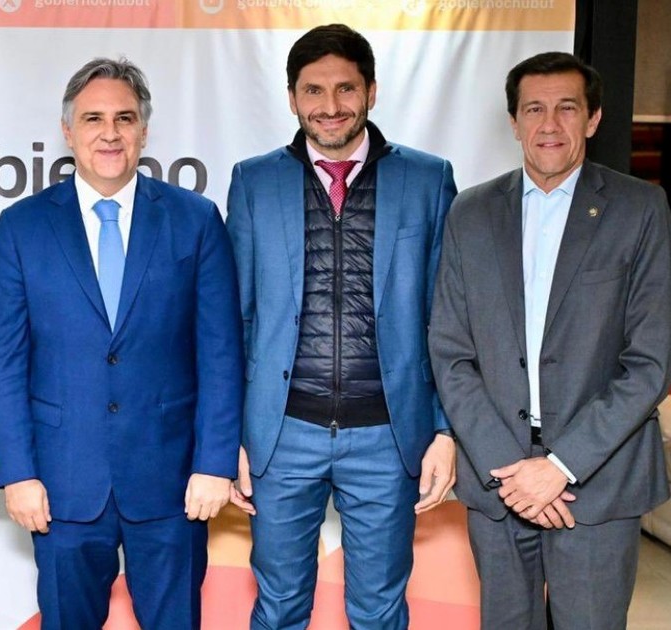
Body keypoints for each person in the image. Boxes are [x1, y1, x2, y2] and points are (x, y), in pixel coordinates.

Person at [0, 57, 242, 629]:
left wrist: (214, 463)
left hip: (174, 484)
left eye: (124, 118)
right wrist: (17, 472)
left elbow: (221, 354)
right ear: (67, 130)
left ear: (144, 131)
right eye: (93, 118)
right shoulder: (23, 226)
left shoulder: (195, 220)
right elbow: (4, 362)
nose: (110, 133)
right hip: (61, 485)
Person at [226, 24, 457, 629]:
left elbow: (447, 318)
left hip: (389, 436)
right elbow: (235, 318)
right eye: (313, 90)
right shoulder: (254, 181)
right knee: (278, 607)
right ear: (292, 98)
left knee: (379, 612)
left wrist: (444, 429)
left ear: (372, 91)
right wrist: (231, 436)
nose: (330, 106)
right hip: (281, 435)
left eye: (346, 88)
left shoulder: (428, 179)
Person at [429, 51, 671, 629]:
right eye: (534, 109)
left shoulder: (640, 208)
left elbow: (651, 361)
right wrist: (510, 469)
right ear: (514, 122)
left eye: (567, 108)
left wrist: (560, 466)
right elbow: (451, 352)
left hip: (599, 479)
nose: (549, 124)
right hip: (499, 480)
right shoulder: (470, 211)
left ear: (593, 118)